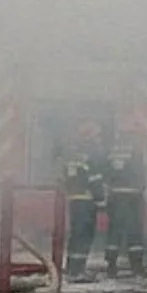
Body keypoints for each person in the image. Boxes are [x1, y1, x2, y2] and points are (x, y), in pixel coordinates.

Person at [61, 121, 106, 282]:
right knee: (84, 236)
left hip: (74, 198)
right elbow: (95, 178)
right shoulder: (91, 153)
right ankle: (78, 271)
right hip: (87, 200)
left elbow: (65, 174)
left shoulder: (72, 152)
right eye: (97, 136)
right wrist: (101, 200)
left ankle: (72, 267)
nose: (99, 139)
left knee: (75, 234)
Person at [104, 124, 147, 278]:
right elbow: (140, 173)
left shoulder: (112, 151)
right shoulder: (136, 151)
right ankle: (136, 266)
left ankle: (111, 265)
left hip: (115, 196)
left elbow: (107, 173)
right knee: (134, 232)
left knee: (114, 232)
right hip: (132, 197)